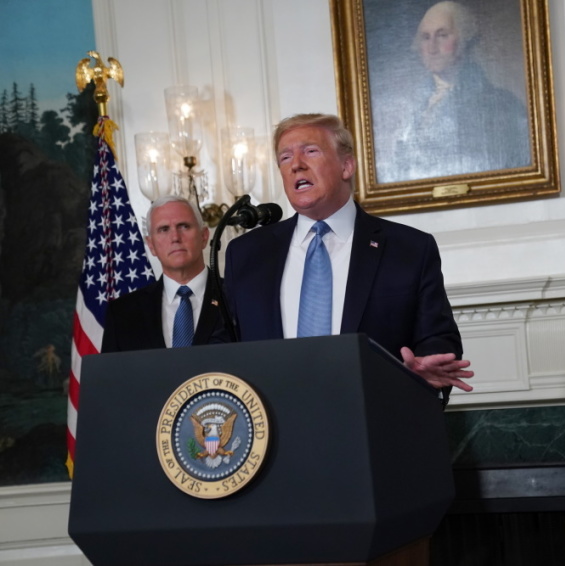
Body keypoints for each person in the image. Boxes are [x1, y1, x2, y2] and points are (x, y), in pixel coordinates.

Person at [224, 113, 473, 402]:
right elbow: (226, 348)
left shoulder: (409, 249)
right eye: (285, 157)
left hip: (375, 423)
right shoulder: (247, 254)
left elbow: (436, 338)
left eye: (310, 151)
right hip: (273, 431)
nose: (296, 164)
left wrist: (421, 375)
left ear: (347, 166)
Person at [385, 0, 530, 182]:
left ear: (464, 39)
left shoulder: (501, 105)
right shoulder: (413, 107)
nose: (432, 48)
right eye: (425, 37)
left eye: (442, 35)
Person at [101, 195, 226, 352]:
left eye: (184, 226)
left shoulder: (237, 298)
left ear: (204, 236)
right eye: (164, 229)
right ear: (151, 245)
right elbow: (112, 375)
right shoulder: (122, 313)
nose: (175, 237)